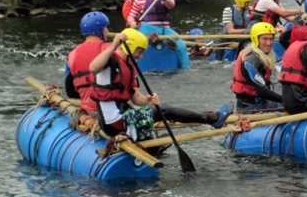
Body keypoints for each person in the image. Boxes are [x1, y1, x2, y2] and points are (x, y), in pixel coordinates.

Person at [84, 29, 232, 140]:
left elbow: (135, 96)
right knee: (164, 110)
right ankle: (212, 119)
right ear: (130, 47)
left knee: (156, 111)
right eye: (139, 51)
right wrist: (114, 44)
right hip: (114, 124)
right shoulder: (110, 61)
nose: (141, 56)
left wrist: (147, 100)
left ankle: (152, 146)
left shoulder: (129, 67)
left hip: (123, 117)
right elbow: (92, 67)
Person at [232, 22, 284, 110]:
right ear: (256, 39)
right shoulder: (253, 59)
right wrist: (285, 99)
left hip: (258, 102)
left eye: (271, 39)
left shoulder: (257, 54)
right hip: (252, 107)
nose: (269, 43)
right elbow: (261, 91)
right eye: (265, 39)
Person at [65, 11, 111, 100]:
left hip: (86, 103)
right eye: (105, 27)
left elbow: (70, 92)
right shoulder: (110, 48)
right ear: (99, 30)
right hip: (108, 102)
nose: (108, 30)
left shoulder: (72, 54)